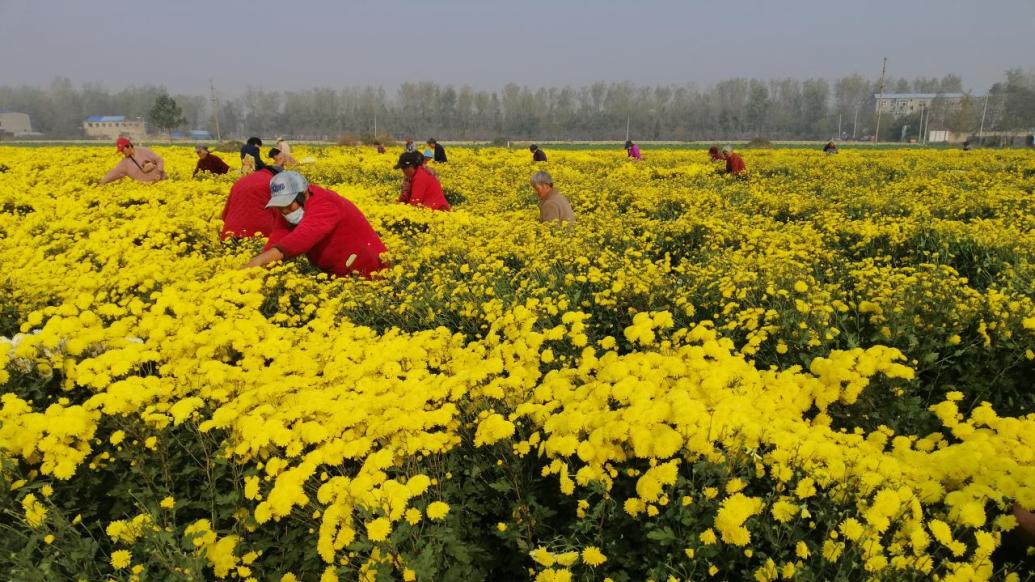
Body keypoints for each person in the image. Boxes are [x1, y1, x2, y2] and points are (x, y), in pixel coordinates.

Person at [244, 171, 387, 278]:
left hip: (367, 268)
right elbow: (279, 235)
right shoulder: (288, 209)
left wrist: (261, 260)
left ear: (303, 194)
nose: (285, 211)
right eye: (280, 208)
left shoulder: (325, 203)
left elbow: (303, 237)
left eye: (288, 206)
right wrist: (259, 267)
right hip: (336, 272)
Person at [220, 166, 280, 240]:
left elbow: (224, 214)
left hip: (230, 235)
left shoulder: (240, 181)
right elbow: (280, 213)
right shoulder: (274, 183)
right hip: (260, 235)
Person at [100, 137, 166, 185]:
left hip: (160, 184)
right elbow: (114, 173)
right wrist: (102, 182)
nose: (122, 152)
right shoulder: (124, 163)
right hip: (144, 189)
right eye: (121, 151)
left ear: (128, 146)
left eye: (123, 150)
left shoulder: (143, 151)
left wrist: (159, 171)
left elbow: (159, 160)